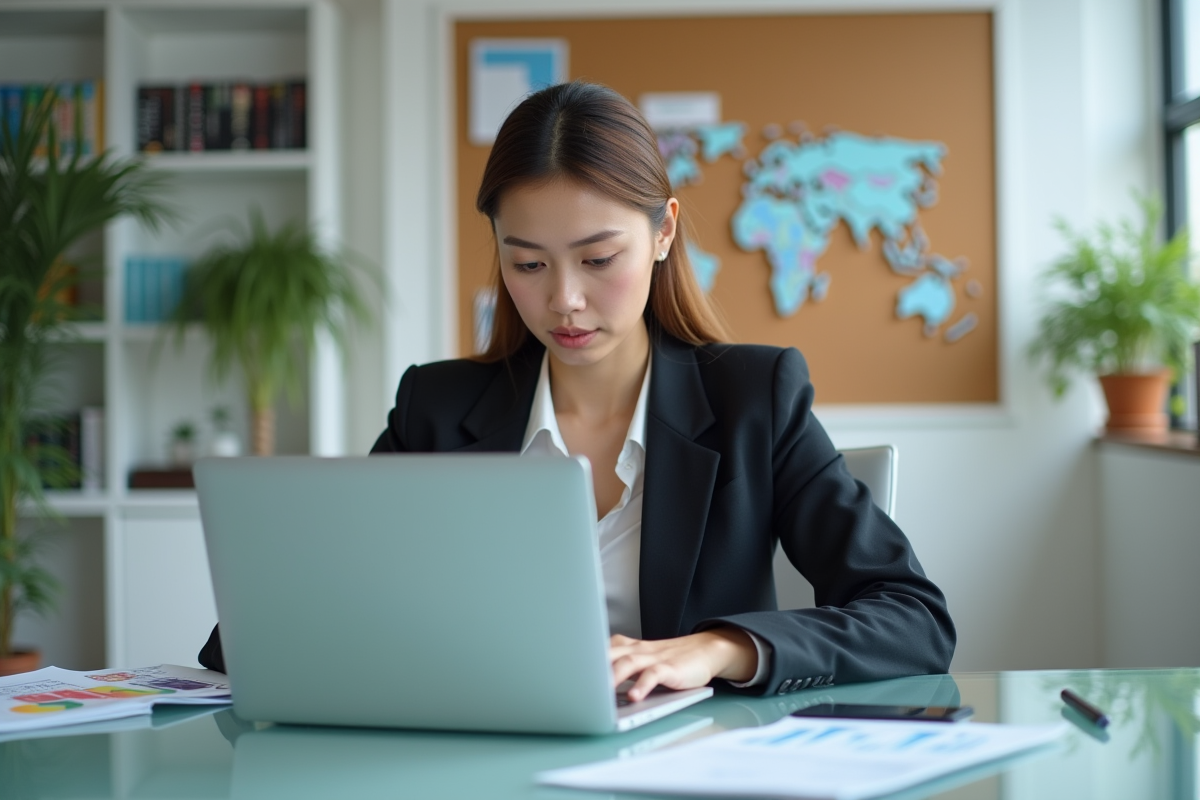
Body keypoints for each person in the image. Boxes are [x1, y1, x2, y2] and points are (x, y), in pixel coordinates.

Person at [200, 81, 955, 700]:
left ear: (663, 234)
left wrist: (718, 648)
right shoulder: (436, 408)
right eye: (527, 265)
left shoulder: (754, 398)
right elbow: (257, 636)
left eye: (598, 259)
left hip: (693, 769)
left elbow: (914, 619)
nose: (563, 300)